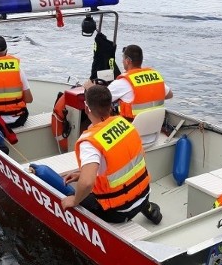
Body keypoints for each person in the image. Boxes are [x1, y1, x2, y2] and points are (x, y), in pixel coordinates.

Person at [61, 85, 162, 225]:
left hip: (118, 211)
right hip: (144, 193)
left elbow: (86, 183)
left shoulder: (90, 142)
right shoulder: (125, 124)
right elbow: (123, 164)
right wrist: (81, 173)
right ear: (110, 106)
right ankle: (147, 207)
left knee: (70, 197)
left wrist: (74, 200)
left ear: (86, 108)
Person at [83, 44, 173, 142]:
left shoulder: (124, 82)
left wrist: (90, 87)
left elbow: (100, 99)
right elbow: (169, 95)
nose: (122, 61)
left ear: (127, 61)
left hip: (131, 133)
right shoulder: (154, 76)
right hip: (153, 133)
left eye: (123, 59)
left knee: (91, 127)